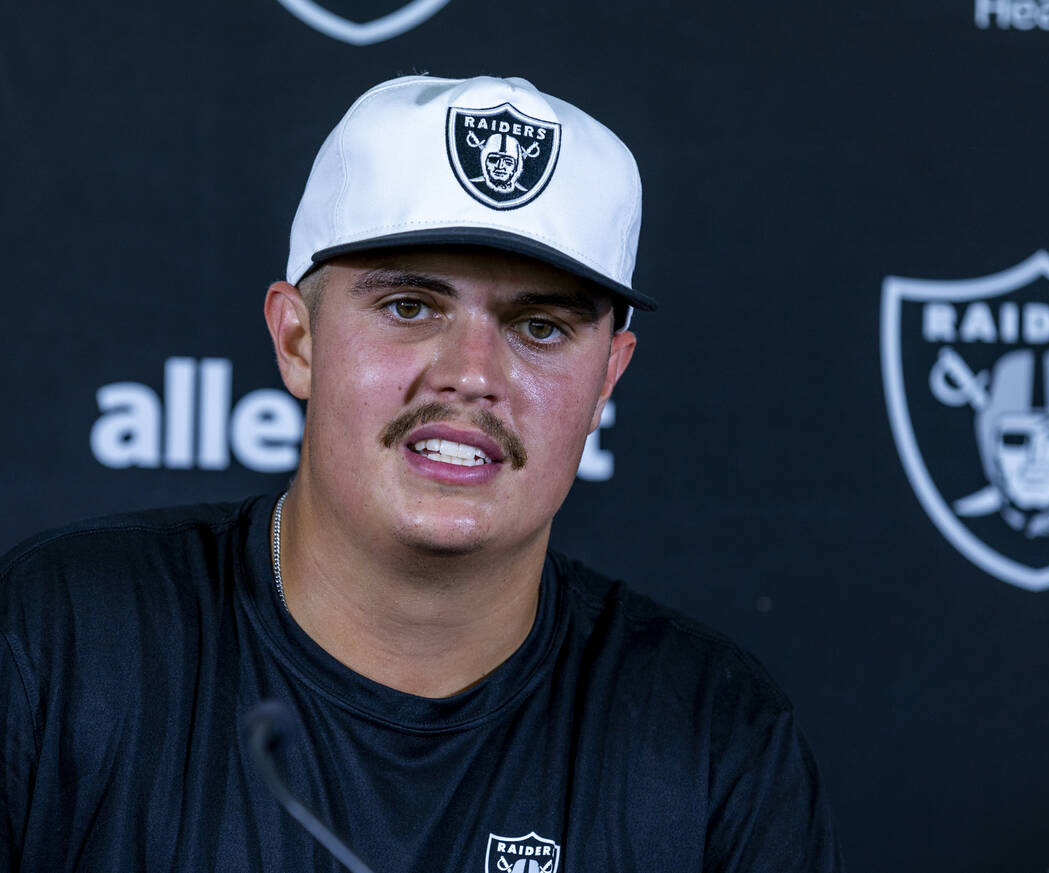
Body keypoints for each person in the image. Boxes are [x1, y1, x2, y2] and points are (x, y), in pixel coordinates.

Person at [1, 74, 840, 872]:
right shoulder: (61, 638)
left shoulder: (711, 738)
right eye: (411, 306)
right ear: (297, 339)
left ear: (607, 380)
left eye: (540, 327)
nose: (472, 373)